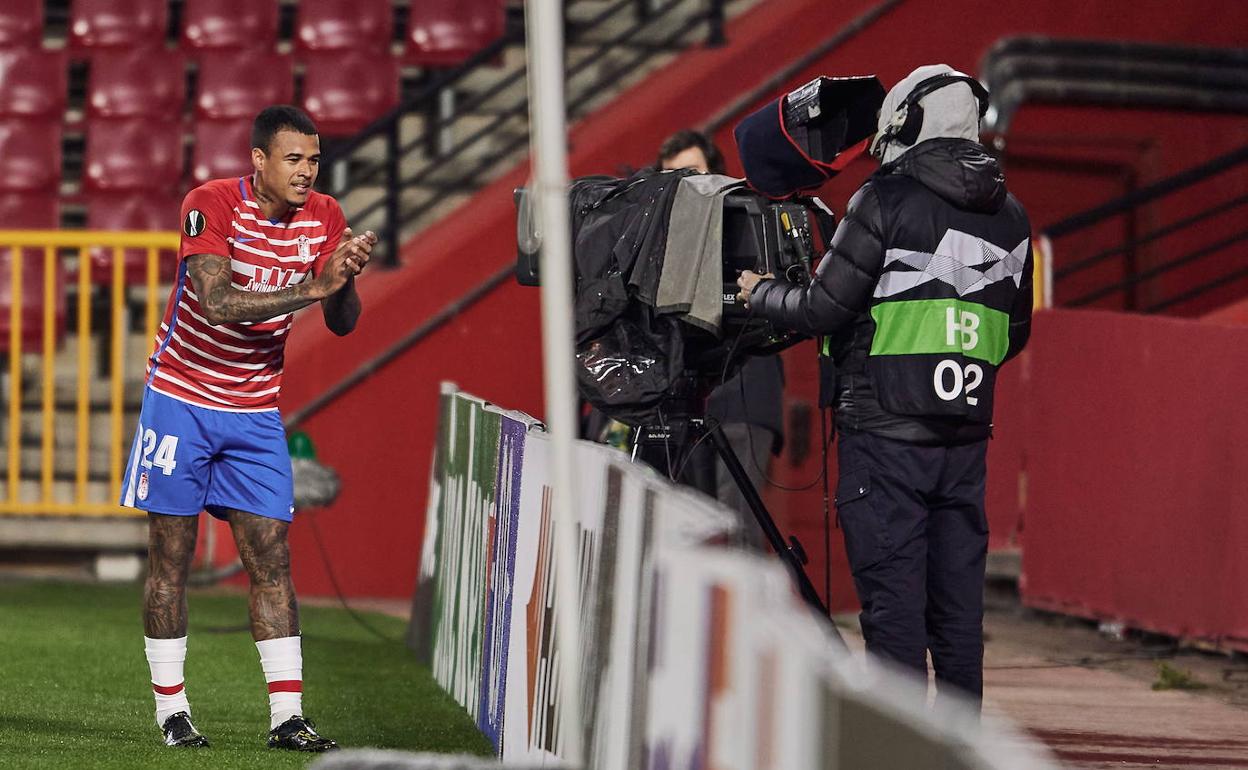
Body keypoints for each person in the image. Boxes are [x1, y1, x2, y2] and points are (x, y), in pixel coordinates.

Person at [737, 65, 1034, 708]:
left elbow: (821, 310)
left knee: (894, 615)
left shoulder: (884, 198)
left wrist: (758, 292)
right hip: (963, 438)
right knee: (956, 619)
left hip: (883, 435)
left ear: (907, 122)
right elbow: (1013, 334)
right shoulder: (1013, 216)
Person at [120, 105, 376, 750]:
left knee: (272, 559)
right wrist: (315, 289)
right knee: (170, 560)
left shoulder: (325, 216)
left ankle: (287, 718)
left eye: (313, 159)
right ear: (258, 159)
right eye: (293, 159)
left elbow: (343, 321)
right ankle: (172, 713)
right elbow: (216, 301)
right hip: (179, 400)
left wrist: (341, 281)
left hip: (255, 409)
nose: (306, 172)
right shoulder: (209, 203)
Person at [656, 130, 785, 545]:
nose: (686, 184)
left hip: (746, 392)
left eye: (694, 172)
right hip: (682, 394)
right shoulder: (655, 235)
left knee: (738, 532)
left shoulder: (754, 221)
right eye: (672, 176)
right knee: (686, 530)